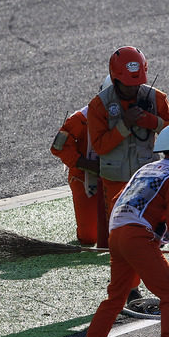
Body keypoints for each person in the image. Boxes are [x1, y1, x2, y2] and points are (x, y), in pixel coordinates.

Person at [77, 123, 169, 337]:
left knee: (116, 297)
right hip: (137, 237)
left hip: (118, 234)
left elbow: (117, 201)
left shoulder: (147, 169)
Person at [87, 46, 169, 248]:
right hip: (115, 180)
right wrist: (124, 125)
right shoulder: (99, 106)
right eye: (128, 84)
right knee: (121, 236)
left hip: (147, 176)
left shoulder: (157, 98)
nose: (134, 89)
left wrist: (153, 122)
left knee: (150, 231)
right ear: (115, 78)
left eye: (138, 83)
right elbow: (100, 146)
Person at [50, 76, 111, 246]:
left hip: (119, 176)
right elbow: (58, 147)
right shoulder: (80, 119)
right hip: (85, 178)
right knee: (89, 237)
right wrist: (87, 164)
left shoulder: (135, 115)